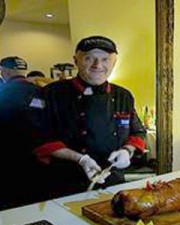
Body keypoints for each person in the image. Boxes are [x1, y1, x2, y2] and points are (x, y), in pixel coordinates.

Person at [32, 35, 146, 196]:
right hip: (64, 183)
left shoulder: (123, 95)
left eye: (105, 59)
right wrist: (81, 159)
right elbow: (39, 139)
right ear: (76, 60)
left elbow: (138, 132)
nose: (97, 65)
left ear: (114, 63)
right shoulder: (51, 93)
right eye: (89, 58)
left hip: (112, 182)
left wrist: (127, 150)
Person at [0, 56, 48, 212]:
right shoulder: (41, 91)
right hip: (36, 154)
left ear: (5, 71)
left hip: (5, 153)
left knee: (3, 200)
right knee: (32, 198)